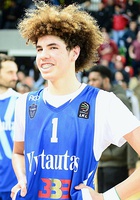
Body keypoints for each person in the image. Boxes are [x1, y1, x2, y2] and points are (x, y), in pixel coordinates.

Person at [11, 2, 140, 200]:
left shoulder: (103, 103)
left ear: (75, 52)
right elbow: (18, 153)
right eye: (39, 49)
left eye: (53, 47)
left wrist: (108, 197)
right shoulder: (25, 103)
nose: (43, 56)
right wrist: (22, 179)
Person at [88, 65, 138, 192]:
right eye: (89, 80)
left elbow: (132, 133)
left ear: (106, 80)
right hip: (103, 163)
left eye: (94, 80)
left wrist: (131, 165)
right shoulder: (97, 101)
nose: (91, 83)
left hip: (118, 165)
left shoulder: (118, 100)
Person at [0, 53, 20, 200]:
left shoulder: (22, 102)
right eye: (9, 72)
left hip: (14, 184)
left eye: (16, 72)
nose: (15, 77)